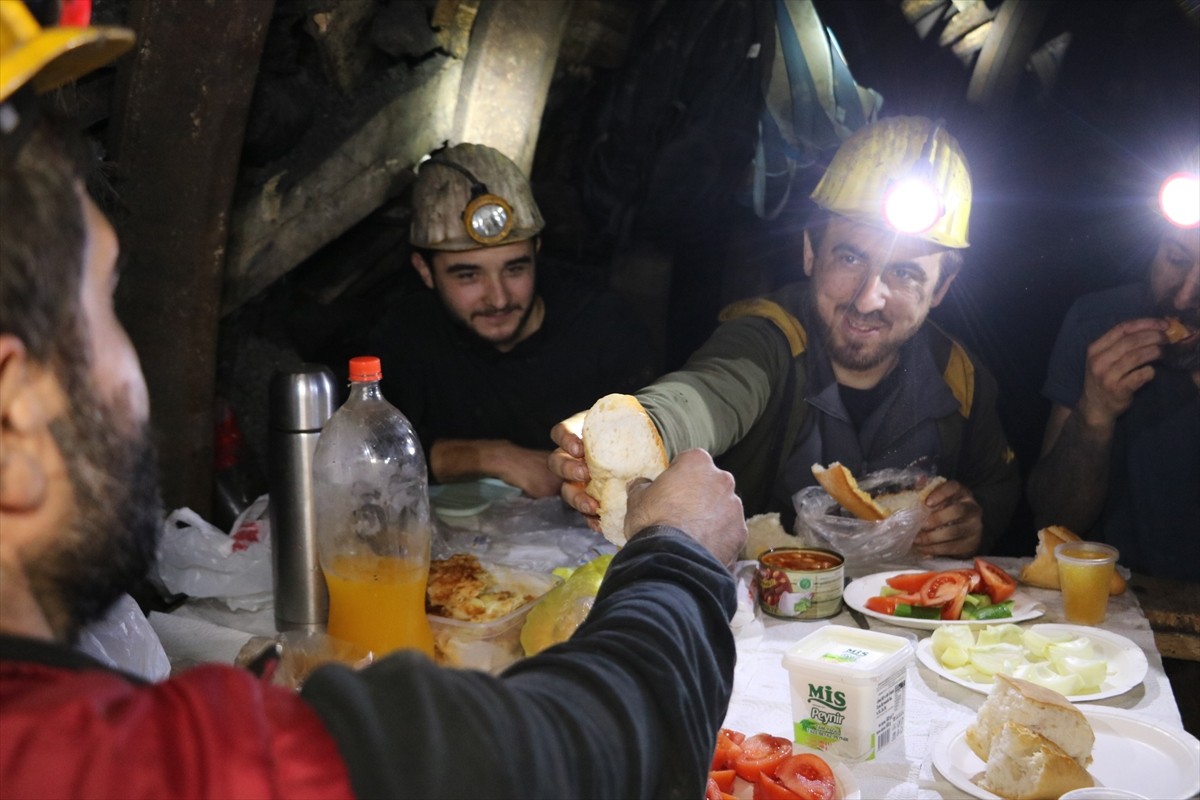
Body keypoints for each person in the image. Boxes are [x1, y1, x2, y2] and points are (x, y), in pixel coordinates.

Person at [0, 5, 748, 798]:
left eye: (514, 267)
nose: (137, 371)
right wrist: (679, 552)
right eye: (105, 307)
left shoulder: (603, 324)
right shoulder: (155, 762)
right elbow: (584, 750)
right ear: (13, 411)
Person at [552, 116, 1021, 557]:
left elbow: (1000, 488)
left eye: (903, 273)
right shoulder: (767, 339)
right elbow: (704, 394)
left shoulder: (957, 376)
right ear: (810, 252)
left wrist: (974, 520)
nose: (867, 299)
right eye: (850, 259)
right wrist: (630, 432)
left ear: (941, 287)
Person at [366, 143, 656, 498]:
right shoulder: (405, 336)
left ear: (537, 252)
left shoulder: (605, 328)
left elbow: (659, 448)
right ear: (424, 271)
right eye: (468, 276)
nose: (499, 298)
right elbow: (367, 455)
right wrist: (493, 456)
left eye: (515, 268)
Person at [1027, 151, 1199, 582]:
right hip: (1116, 609)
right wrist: (1094, 414)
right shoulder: (1098, 325)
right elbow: (1051, 523)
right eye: (1175, 259)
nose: (1182, 299)